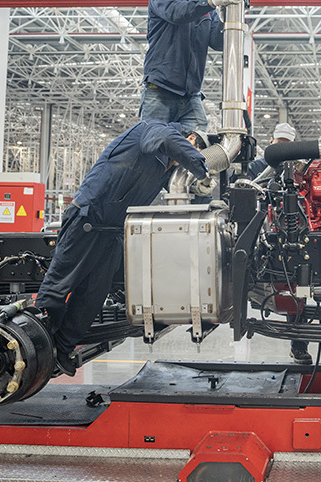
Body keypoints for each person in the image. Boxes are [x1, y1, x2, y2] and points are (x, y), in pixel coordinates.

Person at [35, 120, 209, 376]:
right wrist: (204, 167)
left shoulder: (165, 168)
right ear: (190, 139)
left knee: (92, 297)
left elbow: (186, 194)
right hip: (88, 219)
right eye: (192, 149)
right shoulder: (153, 130)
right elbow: (166, 140)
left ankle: (61, 348)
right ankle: (37, 343)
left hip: (112, 232)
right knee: (60, 285)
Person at [140, 0, 246, 131]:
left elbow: (217, 43)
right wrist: (211, 0)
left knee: (197, 141)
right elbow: (177, 13)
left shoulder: (209, 10)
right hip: (160, 90)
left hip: (191, 95)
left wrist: (225, 20)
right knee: (155, 142)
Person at [246, 122, 311, 364]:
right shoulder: (257, 167)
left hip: (296, 236)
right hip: (263, 234)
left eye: (287, 145)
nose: (282, 150)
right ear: (272, 142)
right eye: (279, 144)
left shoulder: (301, 169)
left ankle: (299, 346)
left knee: (299, 292)